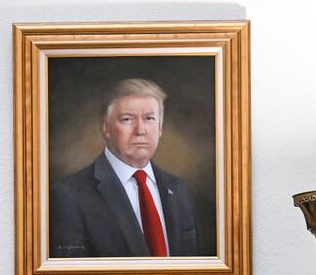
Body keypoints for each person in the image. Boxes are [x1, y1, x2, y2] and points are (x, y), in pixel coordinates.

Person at [49, 78, 205, 258]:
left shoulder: (179, 189)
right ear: (105, 127)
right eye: (127, 119)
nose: (140, 130)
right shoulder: (68, 195)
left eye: (149, 118)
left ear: (160, 128)